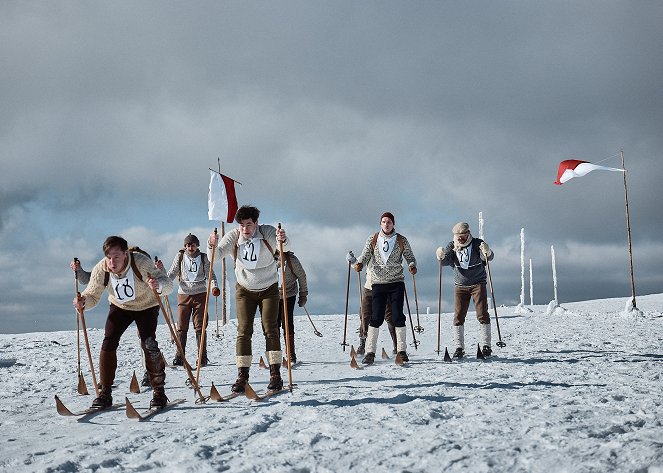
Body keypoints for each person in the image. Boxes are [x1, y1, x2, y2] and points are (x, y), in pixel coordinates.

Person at [72, 236, 173, 409]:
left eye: (116, 257)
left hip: (147, 305)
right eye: (109, 257)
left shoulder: (141, 263)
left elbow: (168, 284)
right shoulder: (101, 268)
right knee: (108, 341)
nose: (112, 262)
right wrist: (83, 302)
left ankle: (159, 393)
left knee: (148, 343)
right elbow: (92, 294)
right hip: (120, 306)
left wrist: (157, 285)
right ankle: (105, 394)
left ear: (126, 254)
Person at [208, 205, 288, 392]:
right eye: (242, 225)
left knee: (270, 328)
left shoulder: (267, 231)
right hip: (245, 288)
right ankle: (242, 376)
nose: (245, 229)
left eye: (249, 224)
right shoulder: (234, 236)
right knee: (244, 331)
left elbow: (284, 246)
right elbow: (216, 256)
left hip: (269, 287)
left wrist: (282, 238)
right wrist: (211, 244)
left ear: (256, 223)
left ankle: (275, 374)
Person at [354, 212, 417, 364]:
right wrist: (360, 263)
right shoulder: (373, 238)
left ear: (393, 224)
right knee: (376, 317)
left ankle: (401, 351)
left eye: (389, 222)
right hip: (378, 283)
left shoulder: (401, 240)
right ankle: (370, 352)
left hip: (396, 282)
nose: (386, 224)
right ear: (380, 224)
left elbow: (410, 256)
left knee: (397, 316)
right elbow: (365, 255)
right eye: (384, 222)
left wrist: (412, 265)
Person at [436, 222, 494, 358]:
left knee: (482, 313)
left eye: (462, 235)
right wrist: (441, 256)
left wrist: (487, 251)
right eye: (458, 236)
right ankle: (459, 347)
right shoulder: (452, 245)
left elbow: (488, 258)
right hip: (460, 286)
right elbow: (444, 262)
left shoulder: (477, 243)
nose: (460, 238)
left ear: (468, 233)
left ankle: (486, 346)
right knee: (458, 316)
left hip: (478, 284)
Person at [165, 233, 219, 367]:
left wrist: (214, 287)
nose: (190, 247)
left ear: (197, 245)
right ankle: (179, 356)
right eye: (188, 245)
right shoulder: (180, 257)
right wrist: (163, 284)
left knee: (200, 325)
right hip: (183, 294)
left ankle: (202, 356)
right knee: (182, 326)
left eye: (193, 245)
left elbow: (210, 274)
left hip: (200, 294)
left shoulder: (203, 257)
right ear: (185, 246)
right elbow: (172, 273)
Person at [346, 252, 398, 355]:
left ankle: (397, 346)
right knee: (365, 315)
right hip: (369, 288)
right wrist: (352, 261)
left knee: (390, 317)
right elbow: (358, 263)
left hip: (385, 288)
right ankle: (362, 345)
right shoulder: (369, 251)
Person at [276, 250, 308, 363]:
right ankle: (276, 353)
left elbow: (301, 276)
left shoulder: (291, 260)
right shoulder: (267, 257)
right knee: (274, 324)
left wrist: (303, 294)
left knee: (287, 322)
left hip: (288, 294)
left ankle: (290, 353)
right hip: (272, 295)